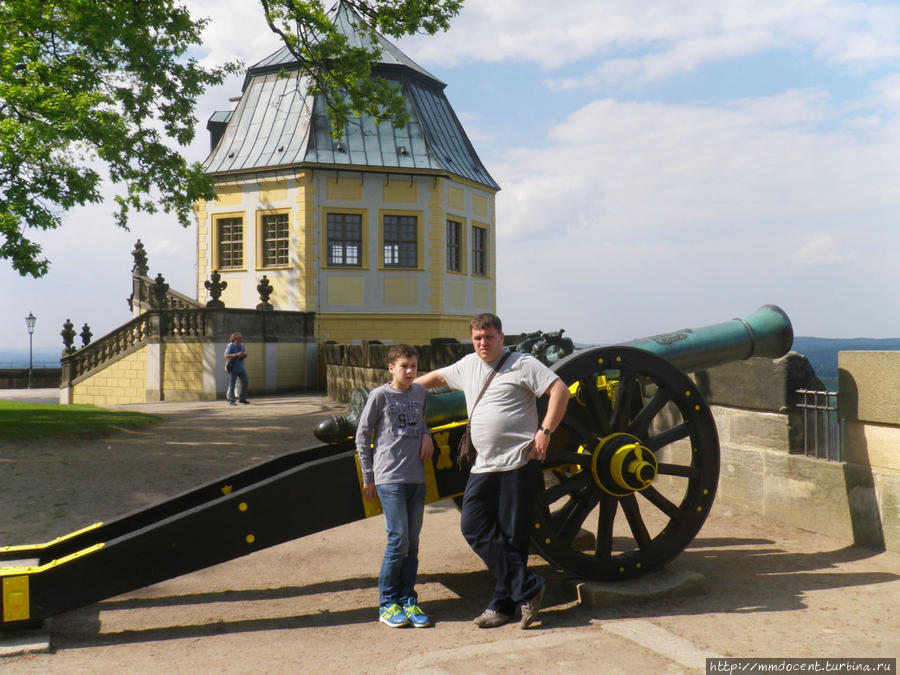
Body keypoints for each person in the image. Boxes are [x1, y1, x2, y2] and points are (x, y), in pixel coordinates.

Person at [415, 313, 569, 629]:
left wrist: (545, 432)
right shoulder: (468, 364)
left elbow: (560, 390)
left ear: (501, 336)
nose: (483, 343)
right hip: (483, 464)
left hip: (518, 462)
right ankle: (528, 587)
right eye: (477, 338)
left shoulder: (523, 363)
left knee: (513, 537)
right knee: (473, 525)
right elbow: (436, 379)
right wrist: (401, 390)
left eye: (488, 337)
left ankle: (503, 606)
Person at [356, 344, 435, 628]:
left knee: (412, 545)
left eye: (414, 366)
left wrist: (427, 434)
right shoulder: (380, 395)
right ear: (391, 368)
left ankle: (407, 598)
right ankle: (387, 602)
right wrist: (368, 476)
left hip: (416, 478)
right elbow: (362, 436)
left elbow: (422, 421)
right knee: (398, 539)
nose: (411, 371)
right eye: (405, 366)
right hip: (389, 478)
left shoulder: (420, 393)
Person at [224, 332, 249, 405]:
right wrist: (236, 355)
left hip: (241, 368)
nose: (241, 339)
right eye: (239, 338)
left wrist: (244, 355)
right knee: (232, 385)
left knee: (245, 383)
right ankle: (231, 400)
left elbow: (242, 356)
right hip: (233, 369)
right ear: (235, 339)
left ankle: (242, 399)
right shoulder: (231, 346)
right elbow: (226, 356)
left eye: (241, 338)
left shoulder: (242, 346)